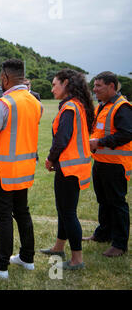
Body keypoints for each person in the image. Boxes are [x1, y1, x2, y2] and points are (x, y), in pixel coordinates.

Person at [0, 59, 42, 279]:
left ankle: (0, 266)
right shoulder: (35, 102)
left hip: (2, 171)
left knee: (3, 217)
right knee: (22, 212)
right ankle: (27, 257)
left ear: (5, 78)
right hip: (24, 169)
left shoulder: (4, 103)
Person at [40, 69, 95, 270]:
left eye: (55, 84)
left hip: (69, 169)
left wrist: (50, 158)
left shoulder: (70, 107)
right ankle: (58, 247)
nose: (52, 88)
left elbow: (62, 139)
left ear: (65, 83)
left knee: (68, 212)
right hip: (72, 167)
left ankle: (77, 259)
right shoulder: (77, 105)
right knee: (64, 210)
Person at [82, 71, 131, 257]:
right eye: (94, 86)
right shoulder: (102, 106)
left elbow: (127, 134)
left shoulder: (122, 107)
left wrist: (99, 143)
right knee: (103, 201)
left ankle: (119, 243)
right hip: (101, 162)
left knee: (117, 203)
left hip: (115, 164)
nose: (94, 90)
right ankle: (103, 234)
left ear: (112, 86)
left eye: (98, 86)